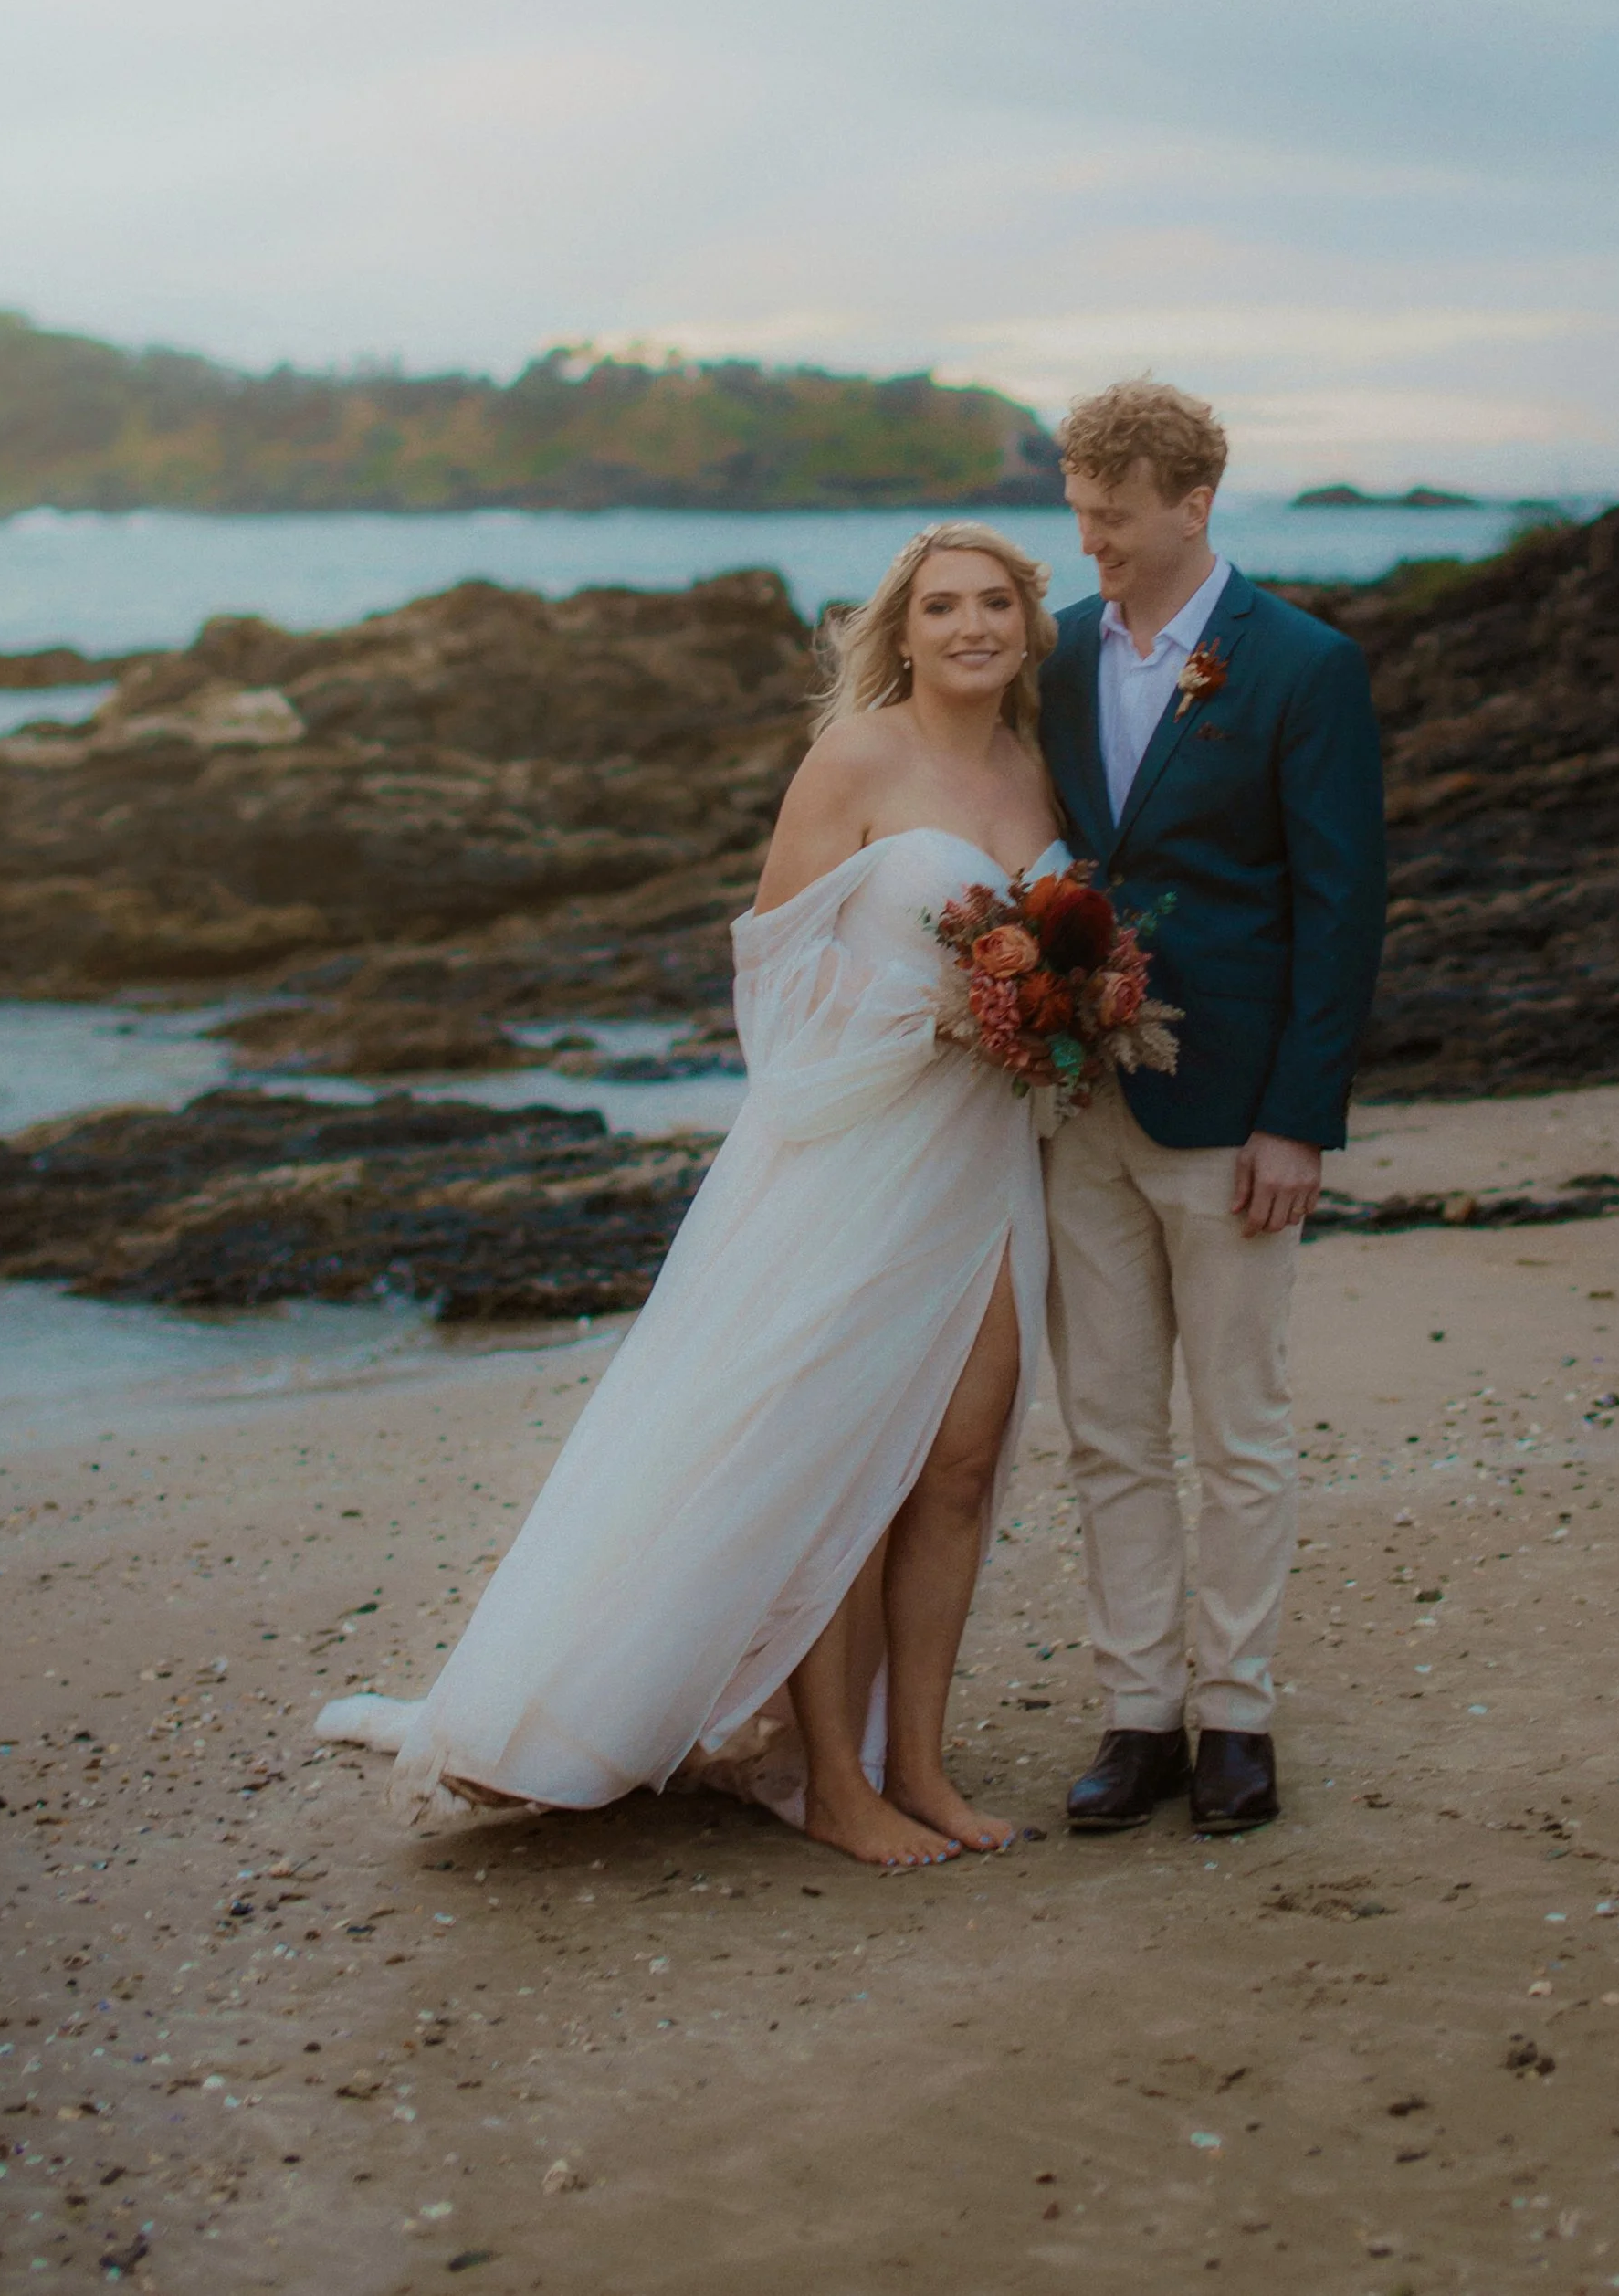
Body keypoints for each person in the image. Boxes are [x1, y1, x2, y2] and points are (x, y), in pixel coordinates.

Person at [316, 521, 1067, 1870]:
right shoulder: (854, 758)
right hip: (854, 1151)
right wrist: (936, 1017)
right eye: (944, 604)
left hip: (987, 1156)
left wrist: (1058, 1012)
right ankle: (837, 1783)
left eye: (995, 602)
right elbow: (771, 973)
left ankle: (926, 1767)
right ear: (901, 629)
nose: (971, 624)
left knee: (956, 1461)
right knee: (844, 1457)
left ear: (1027, 623)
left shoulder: (1035, 764)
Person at [1037, 379, 1386, 1837]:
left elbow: (1342, 901)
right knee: (1109, 1427)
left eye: (1114, 518)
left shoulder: (1301, 665)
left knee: (1238, 1426)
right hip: (1076, 1109)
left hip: (1238, 1111)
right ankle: (1140, 1716)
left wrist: (1298, 1115)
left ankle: (1236, 1713)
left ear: (1194, 504)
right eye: (1080, 517)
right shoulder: (1053, 657)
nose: (1094, 541)